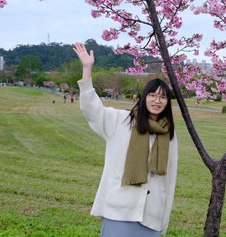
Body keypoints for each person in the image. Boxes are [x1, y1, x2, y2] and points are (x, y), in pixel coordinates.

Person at [73, 42, 178, 237]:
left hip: (151, 216)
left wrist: (164, 220)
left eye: (162, 97)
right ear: (144, 97)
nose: (157, 100)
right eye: (152, 95)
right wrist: (87, 69)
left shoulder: (168, 134)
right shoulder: (120, 120)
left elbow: (169, 180)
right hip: (119, 211)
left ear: (167, 102)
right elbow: (92, 110)